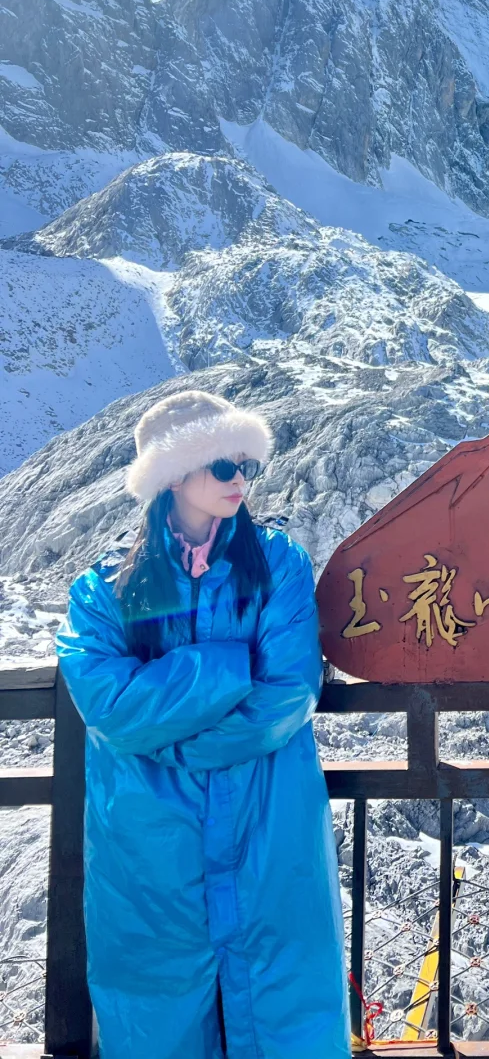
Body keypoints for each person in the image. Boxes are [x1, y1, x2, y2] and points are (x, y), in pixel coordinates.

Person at [55, 390, 350, 1059]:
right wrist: (224, 667)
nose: (240, 481)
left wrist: (170, 749)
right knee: (157, 1008)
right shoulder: (102, 588)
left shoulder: (279, 563)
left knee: (284, 1004)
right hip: (151, 840)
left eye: (246, 464)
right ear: (171, 475)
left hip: (264, 825)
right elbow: (107, 705)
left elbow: (287, 692)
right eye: (222, 466)